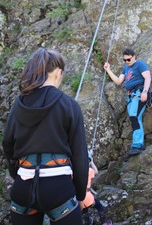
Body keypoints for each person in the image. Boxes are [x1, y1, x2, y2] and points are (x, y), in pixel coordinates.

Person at [2, 48, 89, 225]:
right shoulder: (69, 105)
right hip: (58, 189)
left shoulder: (18, 106)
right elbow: (80, 156)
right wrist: (80, 195)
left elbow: (8, 146)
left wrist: (18, 175)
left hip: (23, 187)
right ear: (58, 73)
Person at [103, 47, 151, 156]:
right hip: (131, 96)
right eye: (125, 60)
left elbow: (148, 78)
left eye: (128, 59)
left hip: (138, 93)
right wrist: (108, 70)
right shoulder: (126, 68)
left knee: (134, 116)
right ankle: (137, 144)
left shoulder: (140, 64)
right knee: (134, 118)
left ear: (134, 57)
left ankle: (138, 144)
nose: (127, 62)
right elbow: (119, 81)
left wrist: (145, 92)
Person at [81, 151, 112, 225]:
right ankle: (104, 222)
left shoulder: (77, 171)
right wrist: (92, 162)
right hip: (87, 195)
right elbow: (96, 171)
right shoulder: (90, 170)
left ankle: (88, 222)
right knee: (99, 206)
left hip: (79, 196)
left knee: (84, 209)